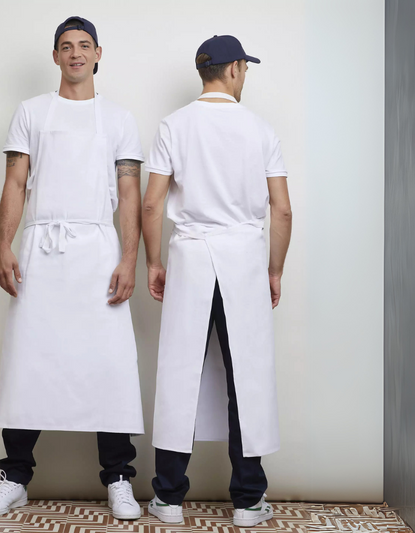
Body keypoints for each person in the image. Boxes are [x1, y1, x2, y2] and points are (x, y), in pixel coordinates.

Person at [0, 16, 145, 520]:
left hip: (98, 252)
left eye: (84, 45)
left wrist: (130, 258)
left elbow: (130, 192)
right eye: (66, 46)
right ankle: (14, 478)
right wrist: (3, 244)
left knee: (109, 365)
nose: (75, 53)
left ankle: (119, 478)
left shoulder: (118, 119)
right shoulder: (31, 111)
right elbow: (15, 181)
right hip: (41, 250)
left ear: (98, 54)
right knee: (28, 361)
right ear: (55, 56)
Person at [142, 34, 292, 527]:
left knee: (178, 374)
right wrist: (274, 270)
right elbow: (282, 210)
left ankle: (168, 499)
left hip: (190, 256)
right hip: (244, 261)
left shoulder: (174, 125)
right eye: (244, 68)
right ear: (232, 69)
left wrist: (153, 263)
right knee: (247, 376)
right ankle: (248, 501)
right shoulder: (260, 129)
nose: (244, 75)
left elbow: (152, 204)